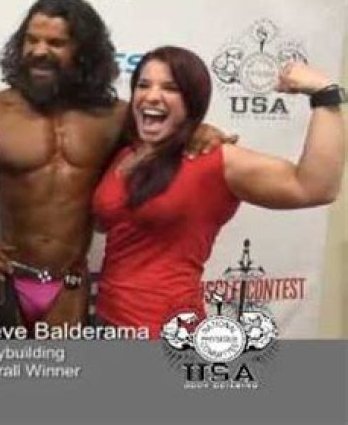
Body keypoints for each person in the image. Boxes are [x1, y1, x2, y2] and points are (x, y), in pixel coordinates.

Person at [0, 0, 226, 337]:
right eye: (31, 40)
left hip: (67, 288)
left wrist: (197, 131)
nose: (39, 51)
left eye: (55, 43)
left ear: (83, 51)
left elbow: (163, 129)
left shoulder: (116, 119)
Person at [92, 46, 345, 339]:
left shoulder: (214, 160)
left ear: (193, 100)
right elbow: (108, 222)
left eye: (170, 88)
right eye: (143, 85)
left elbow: (315, 187)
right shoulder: (125, 153)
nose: (151, 96)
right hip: (106, 323)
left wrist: (325, 95)